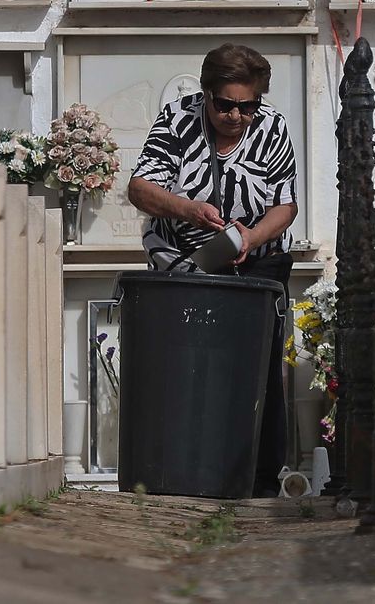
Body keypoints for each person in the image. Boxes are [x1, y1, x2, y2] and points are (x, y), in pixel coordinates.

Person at [127, 43, 299, 497]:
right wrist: (188, 209)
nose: (236, 117)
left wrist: (251, 238)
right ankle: (182, 473)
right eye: (225, 105)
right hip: (184, 267)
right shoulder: (177, 119)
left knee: (259, 374)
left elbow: (285, 204)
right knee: (184, 369)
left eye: (247, 107)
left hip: (258, 266)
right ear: (206, 94)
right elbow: (140, 188)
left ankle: (258, 483)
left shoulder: (274, 128)